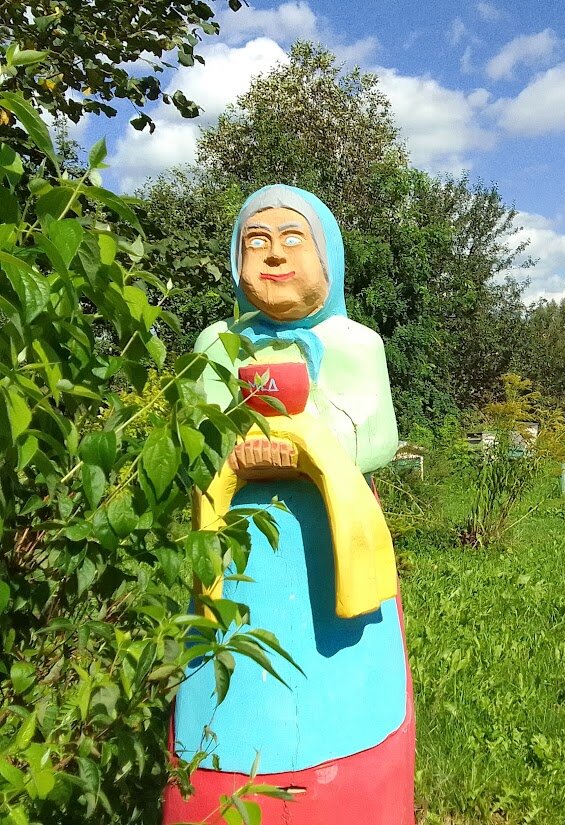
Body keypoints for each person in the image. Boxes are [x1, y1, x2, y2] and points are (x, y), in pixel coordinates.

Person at [163, 185, 414, 824]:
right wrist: (233, 449)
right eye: (257, 241)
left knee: (343, 684)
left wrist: (308, 440)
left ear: (327, 258)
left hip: (325, 546)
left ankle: (349, 787)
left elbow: (375, 435)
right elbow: (189, 435)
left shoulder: (355, 342)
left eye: (292, 240)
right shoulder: (215, 342)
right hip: (235, 552)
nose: (274, 256)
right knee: (222, 693)